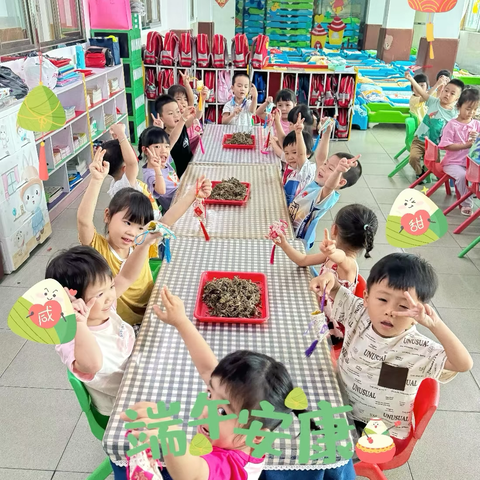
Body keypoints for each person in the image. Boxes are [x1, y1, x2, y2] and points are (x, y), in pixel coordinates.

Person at [113, 286, 356, 480]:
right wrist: (182, 323)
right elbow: (210, 369)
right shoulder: (244, 432)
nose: (205, 410)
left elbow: (192, 474)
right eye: (210, 395)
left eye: (222, 411)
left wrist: (170, 435)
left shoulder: (232, 465)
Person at [310, 253, 473, 439]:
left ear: (419, 313)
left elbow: (463, 364)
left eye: (403, 307)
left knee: (314, 446)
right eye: (382, 300)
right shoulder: (358, 313)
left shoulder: (419, 349)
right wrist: (328, 278)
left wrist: (435, 324)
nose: (389, 311)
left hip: (378, 430)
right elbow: (335, 288)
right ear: (366, 298)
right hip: (339, 403)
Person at [77, 148, 212, 325]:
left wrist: (192, 194)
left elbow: (166, 221)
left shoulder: (142, 242)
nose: (132, 232)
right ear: (107, 215)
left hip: (153, 309)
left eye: (140, 227)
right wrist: (96, 181)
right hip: (128, 323)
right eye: (127, 223)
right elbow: (84, 221)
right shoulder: (97, 250)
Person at [50, 242, 160, 416]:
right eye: (100, 294)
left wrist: (145, 243)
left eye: (110, 287)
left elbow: (126, 277)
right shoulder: (71, 338)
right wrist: (79, 322)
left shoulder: (102, 309)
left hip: (138, 370)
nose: (110, 297)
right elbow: (93, 364)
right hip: (125, 402)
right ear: (72, 303)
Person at [273, 204, 378, 344]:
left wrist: (334, 253)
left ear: (334, 229)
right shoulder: (331, 256)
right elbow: (303, 260)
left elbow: (343, 259)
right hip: (316, 309)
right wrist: (284, 244)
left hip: (330, 330)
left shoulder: (349, 266)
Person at [288, 119, 362, 250]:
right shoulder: (318, 182)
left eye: (330, 169)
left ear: (341, 182)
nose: (323, 167)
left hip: (297, 239)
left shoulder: (326, 195)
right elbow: (320, 158)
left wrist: (338, 170)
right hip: (288, 223)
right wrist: (327, 133)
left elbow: (329, 186)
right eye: (326, 164)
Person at [405, 71, 464, 178]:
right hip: (419, 140)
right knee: (413, 158)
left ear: (457, 98)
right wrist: (411, 79)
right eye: (446, 90)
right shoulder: (433, 102)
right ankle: (420, 174)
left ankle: (434, 174)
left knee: (436, 167)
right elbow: (422, 93)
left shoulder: (454, 113)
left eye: (452, 93)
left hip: (436, 145)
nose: (447, 94)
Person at [439, 87, 480, 216]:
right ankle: (466, 204)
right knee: (462, 176)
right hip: (453, 163)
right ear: (458, 106)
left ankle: (474, 193)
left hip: (472, 163)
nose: (471, 113)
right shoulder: (452, 125)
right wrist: (466, 145)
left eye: (474, 110)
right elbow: (446, 145)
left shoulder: (477, 124)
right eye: (468, 109)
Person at [165, 70, 208, 154]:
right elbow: (196, 116)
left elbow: (194, 106)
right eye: (178, 99)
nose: (183, 102)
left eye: (185, 99)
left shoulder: (187, 111)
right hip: (185, 149)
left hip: (195, 146)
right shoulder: (178, 118)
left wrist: (201, 99)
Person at [154, 94, 197, 178]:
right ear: (161, 118)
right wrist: (183, 119)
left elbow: (196, 115)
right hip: (177, 179)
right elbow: (172, 140)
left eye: (178, 111)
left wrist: (202, 100)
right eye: (170, 113)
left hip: (190, 172)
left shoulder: (183, 126)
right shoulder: (163, 139)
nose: (176, 115)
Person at [138, 126, 179, 213]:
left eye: (167, 146)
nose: (164, 150)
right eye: (157, 146)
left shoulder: (163, 160)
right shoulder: (150, 174)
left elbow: (174, 138)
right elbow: (161, 190)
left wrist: (183, 119)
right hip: (174, 210)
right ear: (145, 150)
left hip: (181, 197)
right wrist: (157, 169)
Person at [283, 113, 316, 205]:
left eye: (294, 152)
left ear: (308, 153)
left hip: (298, 212)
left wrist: (298, 133)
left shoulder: (305, 169)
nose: (290, 157)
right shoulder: (291, 167)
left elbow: (301, 154)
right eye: (286, 153)